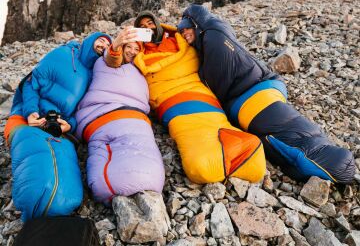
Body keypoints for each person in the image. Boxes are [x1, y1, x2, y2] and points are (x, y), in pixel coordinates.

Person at [178, 4, 355, 184]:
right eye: (180, 30)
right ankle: (308, 166)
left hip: (255, 91)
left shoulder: (213, 35)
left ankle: (333, 160)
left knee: (290, 134)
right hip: (247, 95)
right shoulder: (205, 41)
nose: (184, 33)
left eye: (185, 27)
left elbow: (220, 80)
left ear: (196, 23)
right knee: (271, 145)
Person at [105, 12, 267, 184]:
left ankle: (236, 147)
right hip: (170, 99)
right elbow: (113, 62)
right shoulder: (137, 49)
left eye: (150, 23)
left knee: (217, 122)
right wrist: (117, 44)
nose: (147, 28)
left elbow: (210, 40)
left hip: (198, 90)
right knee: (197, 158)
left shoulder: (180, 38)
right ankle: (213, 159)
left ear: (158, 24)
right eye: (142, 27)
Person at [4, 32, 111, 221]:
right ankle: (36, 206)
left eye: (107, 45)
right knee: (37, 157)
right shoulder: (64, 54)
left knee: (65, 162)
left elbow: (79, 112)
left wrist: (68, 126)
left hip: (56, 127)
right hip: (25, 118)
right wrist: (31, 112)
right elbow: (32, 82)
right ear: (90, 39)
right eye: (101, 39)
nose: (103, 44)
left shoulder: (95, 75)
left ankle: (55, 208)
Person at [76, 30, 165, 204]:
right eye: (128, 47)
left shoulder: (139, 70)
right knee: (106, 156)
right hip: (105, 117)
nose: (132, 51)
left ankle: (140, 181)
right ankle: (108, 187)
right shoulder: (107, 62)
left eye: (136, 49)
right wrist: (116, 45)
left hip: (137, 119)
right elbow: (112, 57)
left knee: (146, 157)